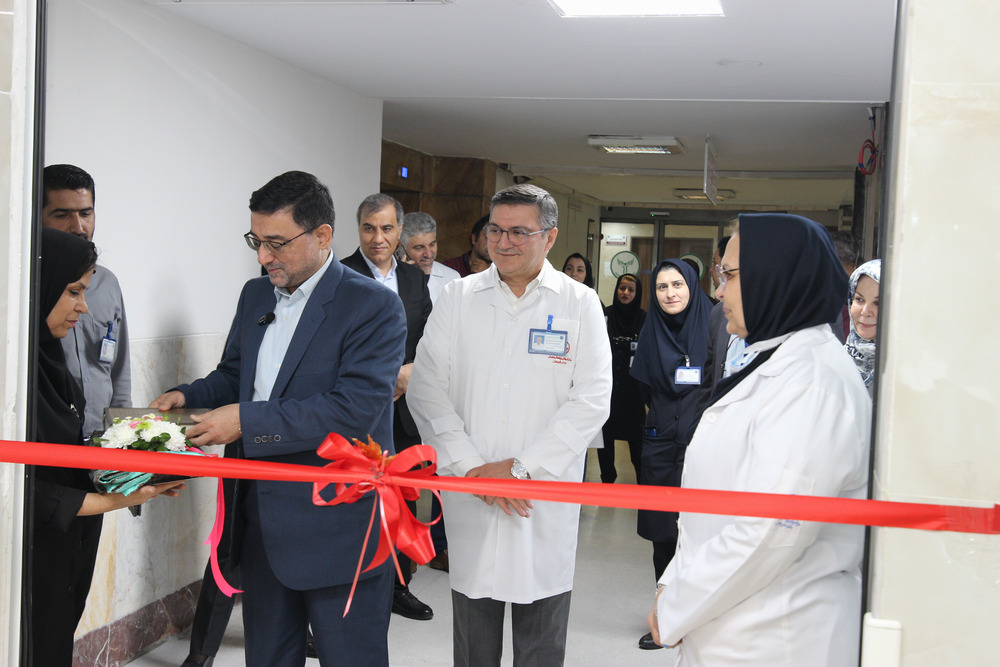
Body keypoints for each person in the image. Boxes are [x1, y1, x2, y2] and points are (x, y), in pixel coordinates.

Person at [150, 171, 406, 667]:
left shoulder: (373, 306)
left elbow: (353, 408)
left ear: (322, 235)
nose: (263, 257)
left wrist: (246, 422)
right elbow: (236, 375)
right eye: (256, 241)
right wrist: (186, 395)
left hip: (339, 528)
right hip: (262, 524)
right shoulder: (256, 295)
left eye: (276, 243)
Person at [647, 213, 871, 665]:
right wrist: (672, 581)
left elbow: (769, 533)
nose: (718, 291)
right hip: (731, 623)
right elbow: (717, 505)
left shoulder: (812, 384)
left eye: (728, 276)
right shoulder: (774, 359)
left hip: (776, 635)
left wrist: (676, 606)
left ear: (774, 279)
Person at [407, 184, 612, 667]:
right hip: (473, 491)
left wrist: (522, 468)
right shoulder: (458, 297)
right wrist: (472, 468)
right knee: (473, 639)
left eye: (519, 232)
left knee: (541, 634)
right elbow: (427, 389)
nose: (503, 242)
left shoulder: (579, 303)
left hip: (540, 496)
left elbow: (591, 400)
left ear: (550, 237)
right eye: (495, 230)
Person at [30, 228, 183, 666]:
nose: (83, 306)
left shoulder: (49, 360)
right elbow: (30, 490)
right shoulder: (18, 373)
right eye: (74, 292)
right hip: (36, 547)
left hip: (67, 539)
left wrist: (136, 473)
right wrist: (123, 498)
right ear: (41, 286)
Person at [341, 194, 435, 620]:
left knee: (403, 499)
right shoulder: (340, 274)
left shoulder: (414, 278)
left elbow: (429, 337)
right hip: (356, 410)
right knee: (355, 502)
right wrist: (381, 378)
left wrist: (410, 371)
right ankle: (346, 588)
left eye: (386, 228)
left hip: (403, 410)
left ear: (400, 232)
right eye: (369, 228)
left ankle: (399, 585)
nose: (378, 238)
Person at [629, 259, 712, 651]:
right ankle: (666, 617)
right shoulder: (651, 330)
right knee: (662, 535)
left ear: (692, 285)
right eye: (662, 287)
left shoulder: (715, 323)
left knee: (699, 534)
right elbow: (644, 388)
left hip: (702, 446)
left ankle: (699, 616)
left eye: (677, 284)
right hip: (660, 444)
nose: (670, 293)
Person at [41, 164, 130, 437]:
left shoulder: (107, 283)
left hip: (101, 441)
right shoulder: (33, 288)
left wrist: (122, 438)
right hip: (52, 436)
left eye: (85, 213)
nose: (78, 227)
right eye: (62, 215)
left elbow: (119, 373)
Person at [597, 273, 645, 483]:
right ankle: (607, 480)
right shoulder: (605, 316)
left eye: (631, 290)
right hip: (608, 389)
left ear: (637, 293)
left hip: (634, 391)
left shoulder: (644, 319)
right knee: (605, 439)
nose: (625, 293)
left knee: (637, 443)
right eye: (622, 288)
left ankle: (643, 483)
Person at [401, 211, 461, 304]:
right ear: (401, 248)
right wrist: (401, 276)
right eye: (419, 248)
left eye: (432, 245)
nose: (428, 255)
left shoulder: (452, 278)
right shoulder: (390, 277)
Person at [846, 259, 881, 393]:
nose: (865, 311)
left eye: (877, 303)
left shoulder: (907, 370)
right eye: (859, 300)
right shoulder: (835, 360)